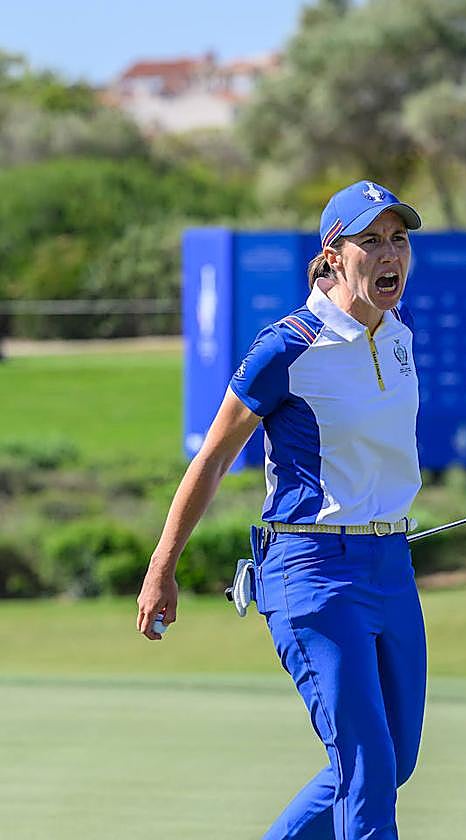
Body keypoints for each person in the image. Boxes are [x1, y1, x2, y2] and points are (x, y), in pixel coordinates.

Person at [136, 180, 427, 839]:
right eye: (372, 240)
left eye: (400, 240)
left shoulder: (401, 335)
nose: (391, 255)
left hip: (391, 567)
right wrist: (163, 566)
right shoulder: (287, 345)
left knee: (393, 762)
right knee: (365, 773)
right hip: (314, 573)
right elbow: (211, 458)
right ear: (334, 254)